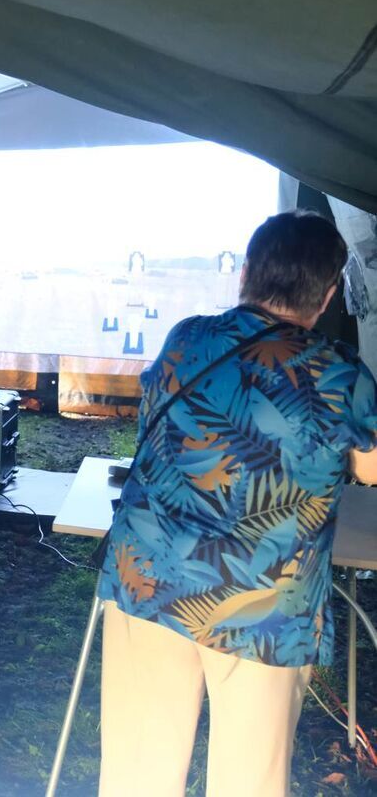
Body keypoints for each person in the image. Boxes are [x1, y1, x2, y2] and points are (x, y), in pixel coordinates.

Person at [97, 210, 377, 796]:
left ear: (245, 272)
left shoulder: (187, 336)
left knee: (136, 777)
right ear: (326, 298)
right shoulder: (341, 376)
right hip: (264, 607)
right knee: (248, 783)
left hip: (148, 578)